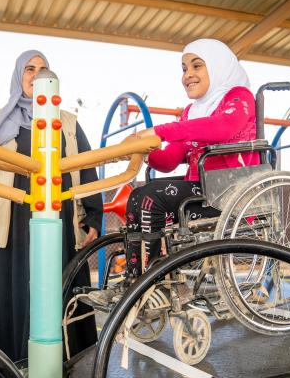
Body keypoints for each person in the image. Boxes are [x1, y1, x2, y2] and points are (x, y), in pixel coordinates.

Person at [88, 38, 258, 305]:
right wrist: (142, 149)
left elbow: (222, 127)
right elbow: (169, 159)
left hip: (229, 192)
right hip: (200, 190)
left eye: (197, 66)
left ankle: (152, 279)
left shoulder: (239, 97)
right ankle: (135, 279)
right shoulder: (192, 112)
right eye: (184, 68)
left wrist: (159, 131)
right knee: (138, 194)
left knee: (151, 196)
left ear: (218, 66)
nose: (187, 75)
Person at [0, 50, 103, 378]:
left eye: (44, 70)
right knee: (14, 294)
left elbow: (86, 170)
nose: (36, 75)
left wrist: (94, 218)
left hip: (60, 222)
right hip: (11, 226)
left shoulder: (68, 122)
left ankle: (70, 373)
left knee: (60, 289)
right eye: (30, 69)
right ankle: (8, 374)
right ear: (19, 76)